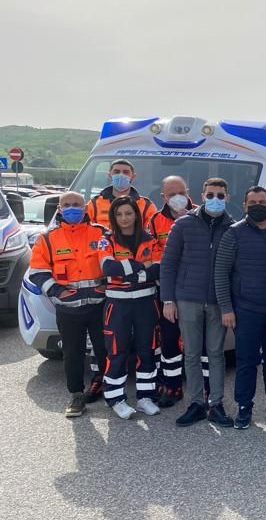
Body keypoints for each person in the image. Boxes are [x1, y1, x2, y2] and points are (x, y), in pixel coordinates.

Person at [214, 187, 266, 429]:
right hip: (246, 310)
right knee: (246, 361)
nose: (257, 205)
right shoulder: (234, 233)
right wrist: (226, 308)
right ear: (244, 205)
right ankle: (244, 407)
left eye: (262, 202)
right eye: (252, 202)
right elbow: (221, 273)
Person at [160, 177, 235, 428]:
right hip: (187, 299)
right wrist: (168, 299)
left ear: (227, 198)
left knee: (215, 353)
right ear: (202, 195)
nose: (216, 199)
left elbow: (236, 269)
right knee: (191, 353)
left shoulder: (233, 227)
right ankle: (196, 404)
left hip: (217, 301)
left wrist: (230, 305)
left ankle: (216, 404)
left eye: (220, 195)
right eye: (211, 194)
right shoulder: (183, 224)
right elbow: (168, 264)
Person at [27, 191, 108, 417]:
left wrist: (107, 286)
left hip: (99, 306)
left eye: (77, 205)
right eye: (67, 205)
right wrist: (57, 291)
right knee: (73, 353)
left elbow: (115, 262)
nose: (72, 208)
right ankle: (76, 396)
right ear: (59, 209)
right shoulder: (47, 238)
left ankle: (111, 391)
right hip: (68, 309)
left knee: (105, 350)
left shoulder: (101, 233)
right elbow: (37, 271)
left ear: (85, 208)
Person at [98, 196, 161, 419]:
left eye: (129, 213)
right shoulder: (107, 240)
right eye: (119, 214)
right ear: (114, 217)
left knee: (147, 350)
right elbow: (108, 268)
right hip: (118, 304)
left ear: (136, 214)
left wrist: (136, 273)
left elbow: (158, 269)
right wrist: (140, 267)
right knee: (117, 351)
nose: (124, 218)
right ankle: (115, 398)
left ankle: (145, 397)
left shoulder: (150, 240)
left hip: (146, 303)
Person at [148, 175, 194, 408]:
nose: (177, 197)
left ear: (188, 191)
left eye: (181, 192)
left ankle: (203, 390)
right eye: (171, 194)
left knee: (199, 341)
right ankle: (173, 386)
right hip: (167, 289)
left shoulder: (201, 215)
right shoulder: (155, 221)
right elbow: (151, 251)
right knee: (168, 340)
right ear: (163, 197)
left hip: (195, 289)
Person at [85, 159, 156, 230]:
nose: (121, 175)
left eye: (126, 172)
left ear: (133, 176)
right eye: (116, 172)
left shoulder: (146, 206)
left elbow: (151, 233)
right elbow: (85, 230)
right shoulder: (94, 204)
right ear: (109, 175)